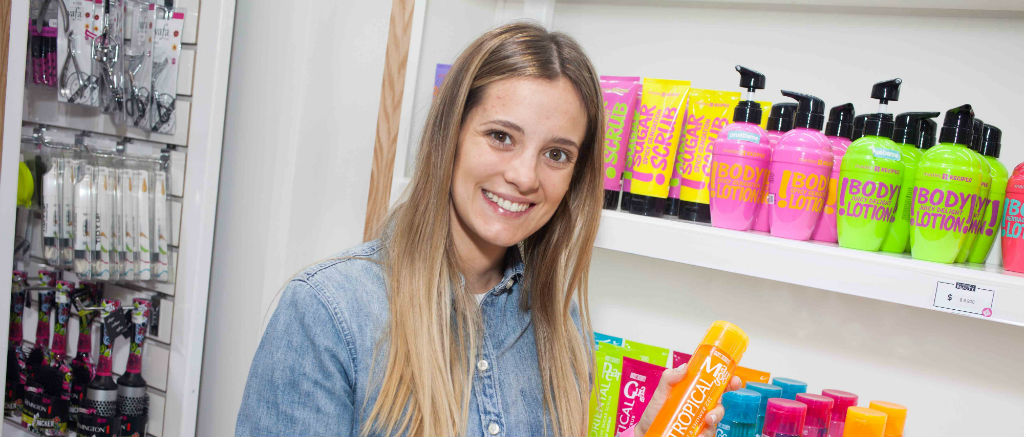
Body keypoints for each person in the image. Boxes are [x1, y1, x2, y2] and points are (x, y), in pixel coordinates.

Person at [235, 22, 736, 437]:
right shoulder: (328, 312)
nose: (524, 176)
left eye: (556, 154)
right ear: (449, 135)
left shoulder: (560, 322)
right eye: (501, 136)